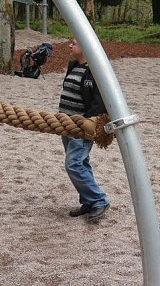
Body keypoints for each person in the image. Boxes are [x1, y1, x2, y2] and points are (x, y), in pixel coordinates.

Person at [58, 38, 110, 222]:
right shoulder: (74, 66)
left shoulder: (96, 71)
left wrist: (91, 123)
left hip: (81, 127)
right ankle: (88, 202)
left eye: (74, 43)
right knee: (82, 163)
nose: (70, 46)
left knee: (73, 164)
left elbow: (100, 100)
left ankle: (98, 200)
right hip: (66, 125)